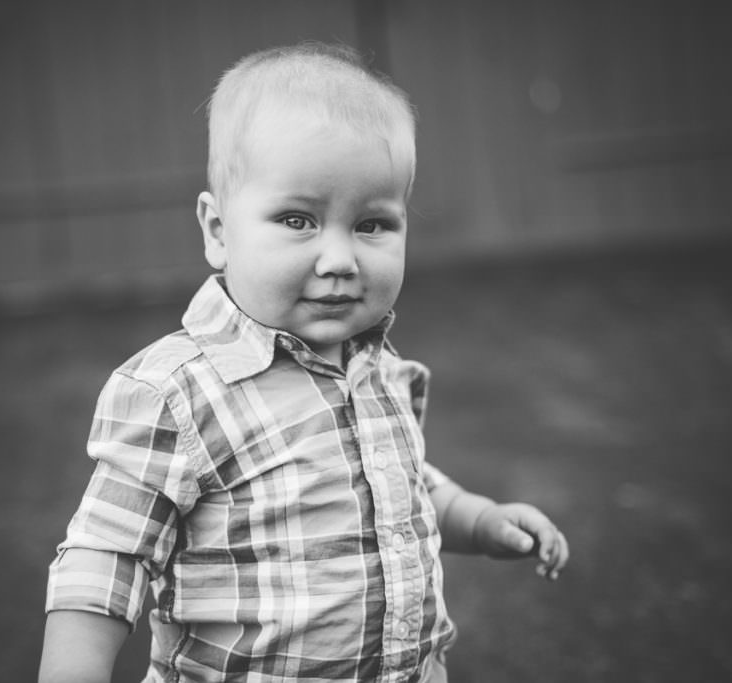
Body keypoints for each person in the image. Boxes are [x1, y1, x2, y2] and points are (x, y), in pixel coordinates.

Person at [38, 42, 569, 683]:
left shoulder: (376, 367)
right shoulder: (177, 393)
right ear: (217, 231)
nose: (340, 258)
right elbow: (105, 559)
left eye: (372, 224)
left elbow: (404, 488)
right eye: (298, 219)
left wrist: (480, 521)